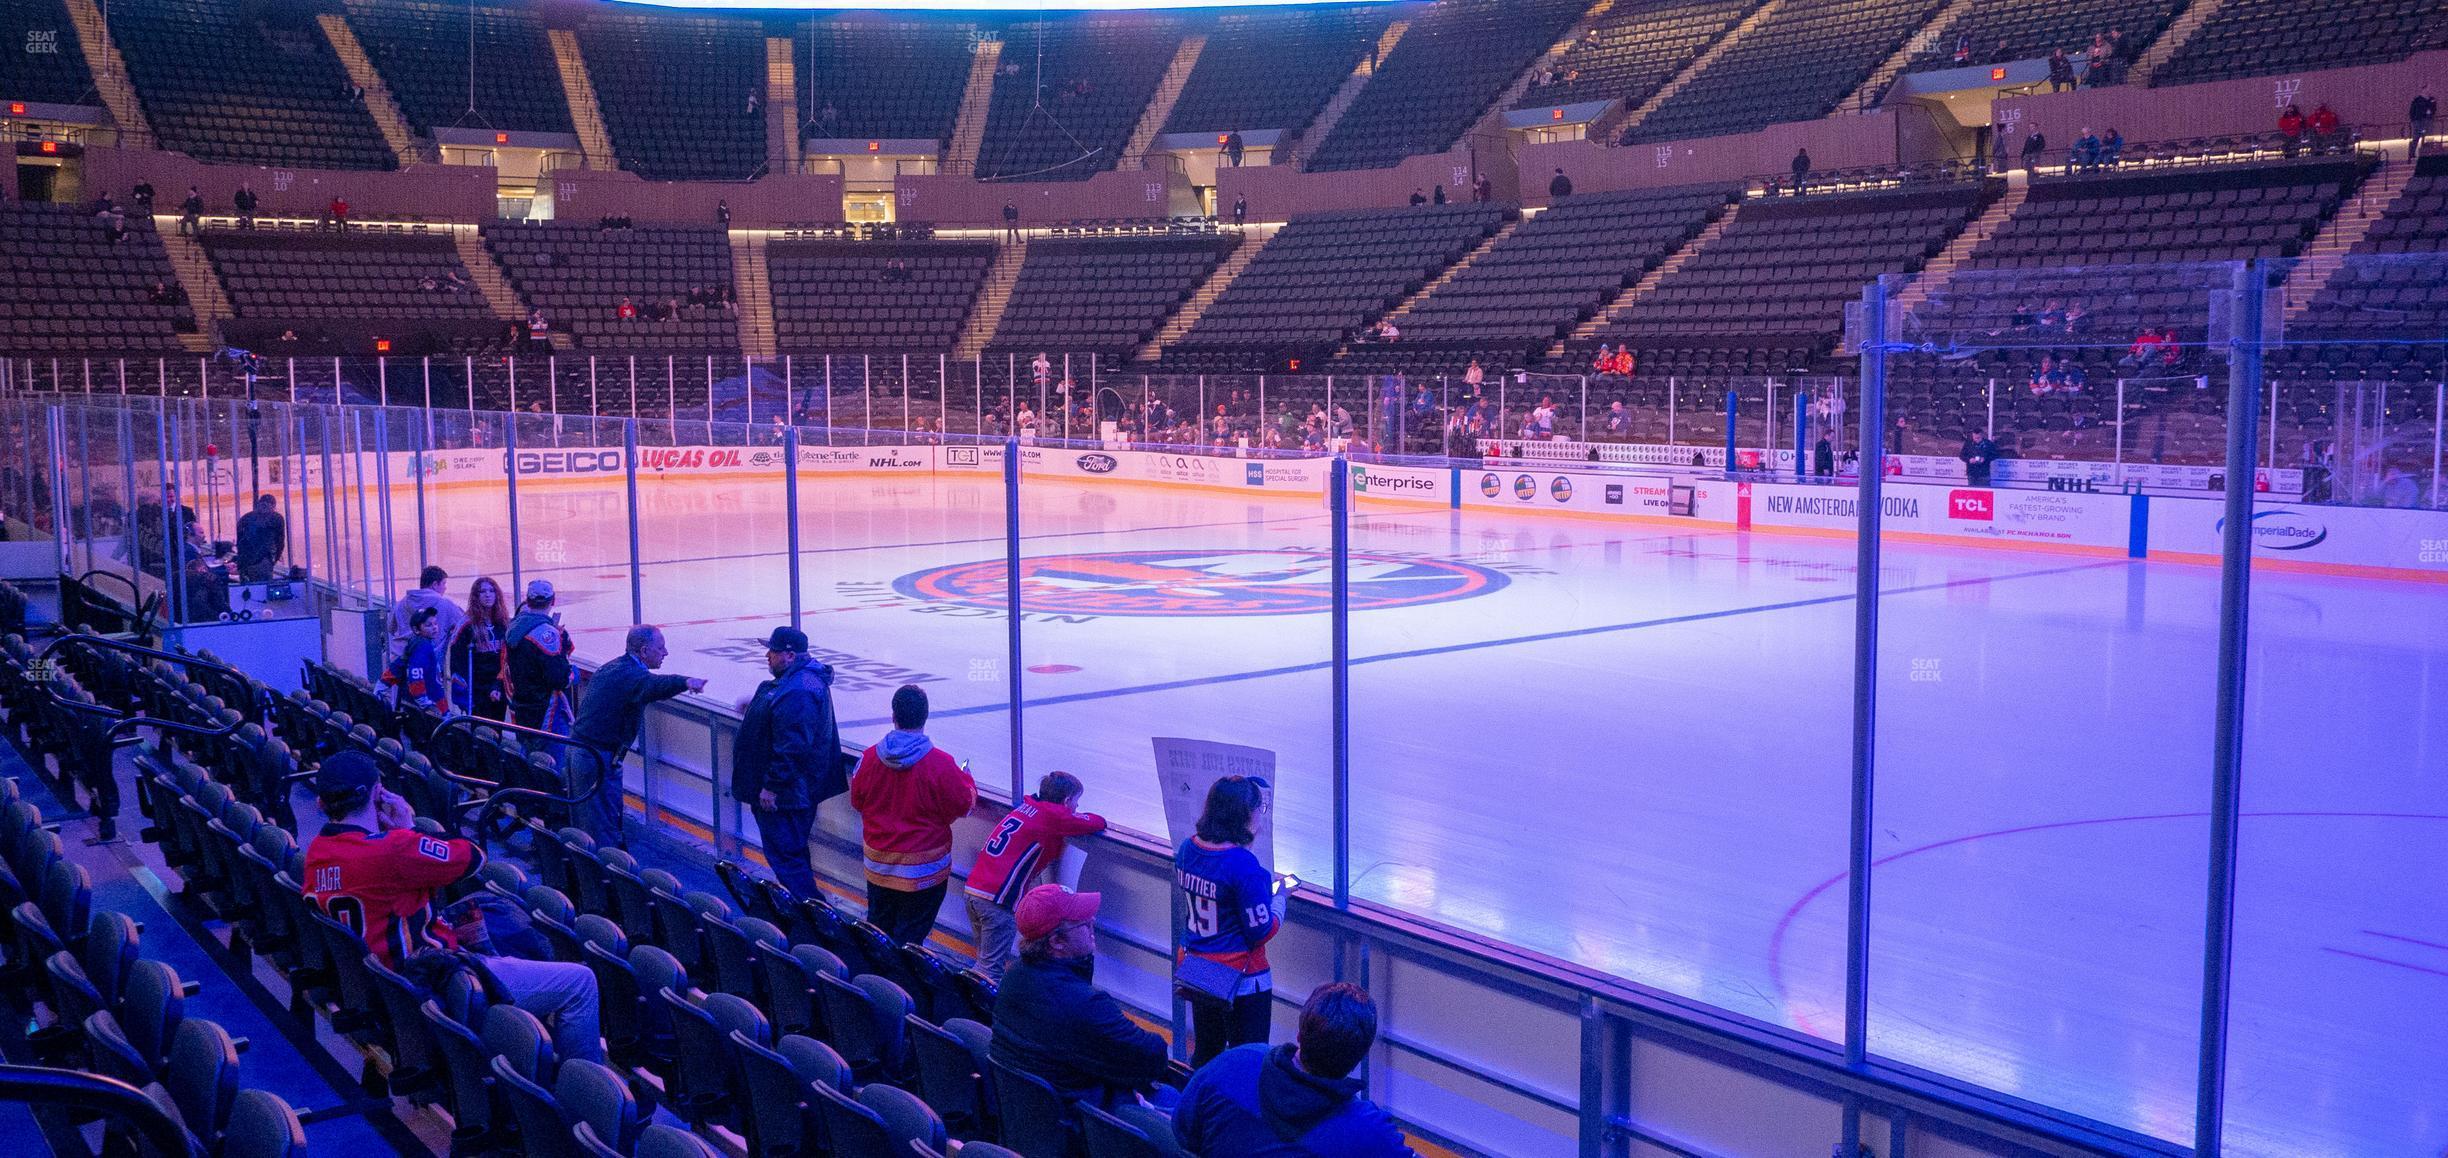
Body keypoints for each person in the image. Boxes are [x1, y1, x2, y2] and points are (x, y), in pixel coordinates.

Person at [301, 752, 604, 1065]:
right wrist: (407, 828)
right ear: (378, 793)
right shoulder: (393, 848)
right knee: (580, 981)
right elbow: (473, 857)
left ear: (322, 804)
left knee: (489, 919)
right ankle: (586, 1101)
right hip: (434, 988)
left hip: (381, 989)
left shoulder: (316, 854)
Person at [1173, 982, 1415, 1158]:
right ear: (1359, 1057)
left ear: (1299, 1034)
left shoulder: (1233, 1064)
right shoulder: (1371, 1134)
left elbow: (1182, 1133)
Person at [988, 885, 1171, 1109]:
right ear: (1057, 942)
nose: (1092, 923)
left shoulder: (1013, 977)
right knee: (1171, 1096)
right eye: (1083, 923)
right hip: (1078, 1123)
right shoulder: (1085, 1003)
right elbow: (1154, 1055)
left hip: (1029, 1114)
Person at [850, 684, 977, 945]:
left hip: (879, 866)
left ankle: (875, 979)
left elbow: (858, 801)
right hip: (923, 872)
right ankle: (897, 982)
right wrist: (967, 780)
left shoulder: (869, 757)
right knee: (909, 941)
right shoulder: (941, 764)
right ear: (925, 717)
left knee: (878, 930)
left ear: (893, 716)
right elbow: (964, 805)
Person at [1175, 775, 1282, 1066]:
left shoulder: (1187, 848)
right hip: (1242, 978)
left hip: (1200, 966)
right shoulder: (1243, 866)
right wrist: (1280, 901)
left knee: (1206, 1050)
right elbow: (1260, 930)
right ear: (1246, 816)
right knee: (1248, 1060)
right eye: (1260, 809)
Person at [732, 626, 845, 901]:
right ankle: (806, 913)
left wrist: (772, 786)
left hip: (788, 796)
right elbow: (785, 724)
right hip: (792, 792)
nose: (767, 656)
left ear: (790, 655)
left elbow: (792, 746)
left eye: (773, 651)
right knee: (791, 856)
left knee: (787, 860)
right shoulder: (792, 684)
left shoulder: (799, 690)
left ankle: (812, 918)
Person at [569, 626, 705, 846]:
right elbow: (653, 685)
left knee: (590, 820)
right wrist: (685, 682)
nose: (666, 652)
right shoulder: (631, 676)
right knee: (602, 824)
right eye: (660, 648)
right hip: (596, 759)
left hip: (586, 752)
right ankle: (606, 874)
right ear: (643, 651)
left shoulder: (613, 667)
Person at [504, 579, 575, 736]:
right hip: (544, 709)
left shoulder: (513, 627)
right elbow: (558, 679)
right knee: (551, 757)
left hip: (522, 704)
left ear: (528, 601)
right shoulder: (546, 634)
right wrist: (572, 674)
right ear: (553, 600)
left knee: (528, 754)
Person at [449, 577, 510, 721]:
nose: (488, 595)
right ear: (476, 596)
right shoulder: (466, 624)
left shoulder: (503, 623)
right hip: (477, 689)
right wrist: (462, 690)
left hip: (498, 686)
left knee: (497, 728)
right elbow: (457, 659)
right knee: (480, 730)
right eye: (482, 592)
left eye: (491, 591)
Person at [389, 566, 465, 664]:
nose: (445, 588)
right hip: (428, 662)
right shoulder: (445, 604)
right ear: (434, 584)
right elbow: (465, 625)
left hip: (399, 660)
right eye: (444, 583)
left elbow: (390, 628)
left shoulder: (401, 603)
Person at [385, 607, 452, 716]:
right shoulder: (423, 647)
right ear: (416, 630)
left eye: (435, 624)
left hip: (420, 705)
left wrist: (382, 684)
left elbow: (398, 665)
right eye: (428, 625)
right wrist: (424, 702)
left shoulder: (416, 643)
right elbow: (415, 676)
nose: (434, 627)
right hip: (429, 708)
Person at [233, 494, 283, 581]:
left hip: (244, 562)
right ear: (273, 506)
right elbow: (280, 542)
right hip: (262, 562)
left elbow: (239, 542)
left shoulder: (245, 518)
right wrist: (274, 559)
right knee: (263, 590)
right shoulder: (276, 518)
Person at [2412, 85, 2437, 161]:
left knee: (2428, 137)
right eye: (2428, 89)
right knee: (2417, 137)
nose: (2430, 90)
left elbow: (2434, 109)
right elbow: (2413, 111)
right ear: (2424, 89)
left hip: (2428, 121)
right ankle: (2412, 154)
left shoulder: (2432, 99)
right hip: (2418, 121)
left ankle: (2427, 154)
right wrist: (2414, 121)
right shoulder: (2417, 100)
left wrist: (2430, 112)